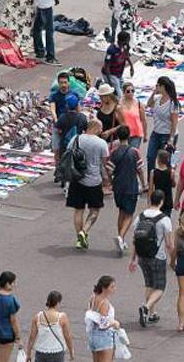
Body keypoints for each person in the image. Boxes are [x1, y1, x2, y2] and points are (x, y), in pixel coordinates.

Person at [127, 191, 174, 329]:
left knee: (149, 284)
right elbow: (169, 244)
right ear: (162, 201)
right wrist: (173, 260)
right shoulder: (164, 219)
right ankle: (146, 307)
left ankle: (152, 313)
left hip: (142, 256)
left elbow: (135, 239)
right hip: (157, 256)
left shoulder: (140, 217)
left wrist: (133, 258)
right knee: (160, 287)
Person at [67, 119, 108, 251]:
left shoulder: (76, 138)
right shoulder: (101, 143)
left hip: (77, 179)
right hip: (94, 181)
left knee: (78, 210)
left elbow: (68, 153)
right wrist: (107, 179)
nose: (102, 131)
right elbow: (104, 164)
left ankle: (79, 238)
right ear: (95, 128)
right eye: (101, 128)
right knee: (94, 211)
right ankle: (83, 232)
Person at [107, 125, 147, 256]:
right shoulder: (134, 152)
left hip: (118, 186)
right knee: (129, 214)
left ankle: (121, 240)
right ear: (129, 136)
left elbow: (109, 170)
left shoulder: (114, 152)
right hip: (131, 186)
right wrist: (144, 184)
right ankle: (121, 236)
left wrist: (111, 182)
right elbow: (140, 170)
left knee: (121, 212)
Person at [25, 291, 75, 362]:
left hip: (41, 352)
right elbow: (68, 337)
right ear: (58, 302)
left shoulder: (38, 317)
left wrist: (28, 354)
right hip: (57, 351)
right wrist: (71, 353)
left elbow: (32, 338)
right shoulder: (62, 317)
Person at [144, 76, 180, 172]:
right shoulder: (157, 98)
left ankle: (167, 180)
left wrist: (171, 139)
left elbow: (174, 122)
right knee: (150, 157)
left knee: (165, 160)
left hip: (167, 134)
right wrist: (153, 93)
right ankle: (151, 180)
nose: (156, 87)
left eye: (158, 85)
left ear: (163, 87)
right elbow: (148, 104)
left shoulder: (173, 103)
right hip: (156, 133)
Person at [85, 276, 120, 360]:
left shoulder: (93, 297)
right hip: (103, 337)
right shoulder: (104, 303)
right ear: (104, 288)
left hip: (92, 335)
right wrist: (114, 323)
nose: (114, 289)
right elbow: (103, 324)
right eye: (112, 287)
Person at [101, 31, 134, 100]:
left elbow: (126, 56)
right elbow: (106, 66)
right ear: (123, 41)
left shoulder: (125, 47)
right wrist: (110, 81)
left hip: (119, 73)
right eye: (127, 40)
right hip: (111, 74)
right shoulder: (111, 50)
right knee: (119, 95)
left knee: (125, 88)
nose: (128, 42)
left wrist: (131, 67)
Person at [120, 82, 146, 151]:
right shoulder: (119, 104)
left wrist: (145, 134)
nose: (131, 93)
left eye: (132, 91)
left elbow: (143, 120)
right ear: (124, 92)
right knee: (124, 154)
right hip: (124, 134)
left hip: (136, 133)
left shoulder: (139, 103)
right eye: (128, 91)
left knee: (133, 153)